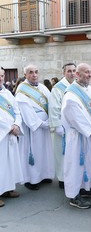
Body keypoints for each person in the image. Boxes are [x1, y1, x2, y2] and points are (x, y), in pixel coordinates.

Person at [61, 63, 91, 209]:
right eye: (86, 72)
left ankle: (84, 188)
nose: (89, 75)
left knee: (88, 163)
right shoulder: (70, 94)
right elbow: (75, 116)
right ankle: (73, 196)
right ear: (78, 75)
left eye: (90, 72)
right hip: (78, 136)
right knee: (75, 165)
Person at [15, 64, 55, 190]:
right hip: (32, 128)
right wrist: (41, 123)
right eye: (31, 72)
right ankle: (31, 179)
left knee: (45, 151)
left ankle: (44, 175)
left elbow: (51, 104)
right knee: (33, 152)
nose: (34, 75)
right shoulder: (22, 90)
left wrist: (51, 120)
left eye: (36, 72)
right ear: (25, 74)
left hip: (45, 126)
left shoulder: (43, 87)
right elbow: (26, 111)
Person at [49, 63, 76, 189]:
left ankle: (72, 176)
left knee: (72, 154)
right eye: (69, 71)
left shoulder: (76, 86)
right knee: (61, 153)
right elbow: (54, 107)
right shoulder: (58, 88)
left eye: (74, 71)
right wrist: (57, 125)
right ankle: (62, 178)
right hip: (62, 127)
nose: (72, 73)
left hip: (74, 127)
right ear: (64, 73)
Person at [0, 68, 23, 207]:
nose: (0, 78)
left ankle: (7, 189)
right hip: (2, 134)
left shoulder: (7, 93)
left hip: (10, 134)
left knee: (8, 164)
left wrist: (16, 125)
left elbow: (17, 112)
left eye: (2, 75)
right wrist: (9, 127)